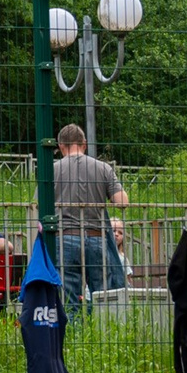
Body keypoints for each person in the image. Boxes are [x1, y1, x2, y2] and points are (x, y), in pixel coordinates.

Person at [51, 124, 128, 308]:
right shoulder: (103, 168)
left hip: (65, 237)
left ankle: (72, 325)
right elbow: (122, 201)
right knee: (103, 297)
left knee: (68, 298)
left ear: (61, 146)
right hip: (97, 238)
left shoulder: (52, 170)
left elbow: (39, 205)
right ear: (84, 144)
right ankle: (103, 324)